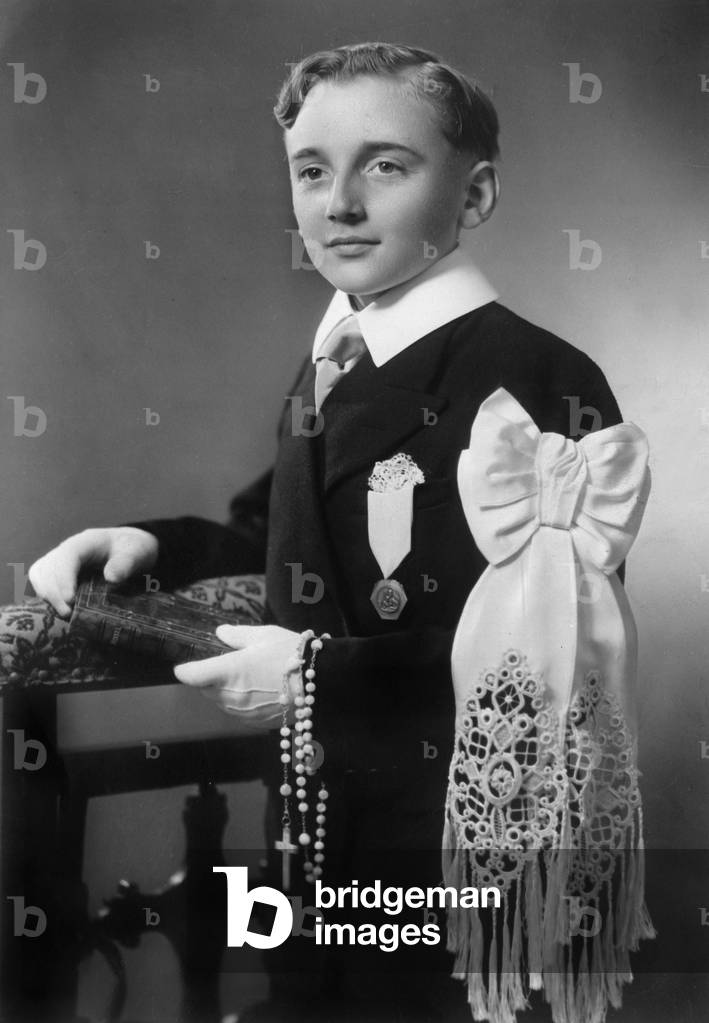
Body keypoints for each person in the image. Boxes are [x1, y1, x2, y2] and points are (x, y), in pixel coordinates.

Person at [29, 42, 642, 1023]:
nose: (339, 203)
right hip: (319, 840)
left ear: (474, 196)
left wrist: (314, 679)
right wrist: (149, 544)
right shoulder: (343, 348)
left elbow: (550, 657)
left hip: (458, 858)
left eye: (386, 166)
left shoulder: (532, 379)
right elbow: (283, 530)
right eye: (312, 170)